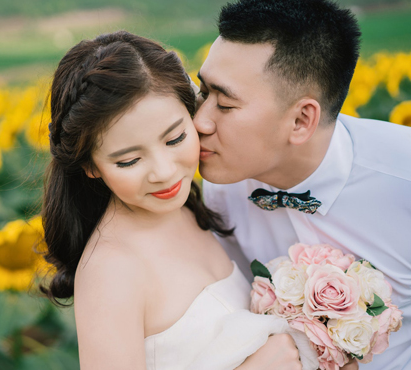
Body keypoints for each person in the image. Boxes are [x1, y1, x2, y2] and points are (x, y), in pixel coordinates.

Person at [40, 30, 326, 370]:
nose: (163, 172)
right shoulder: (111, 271)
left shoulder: (193, 206)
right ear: (90, 166)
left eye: (175, 138)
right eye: (129, 161)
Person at [196, 1, 411, 369]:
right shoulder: (222, 187)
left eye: (225, 105)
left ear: (301, 119)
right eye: (204, 92)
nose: (200, 121)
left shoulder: (402, 180)